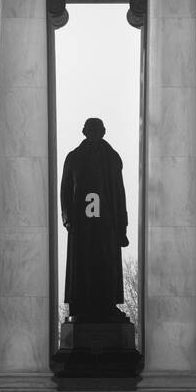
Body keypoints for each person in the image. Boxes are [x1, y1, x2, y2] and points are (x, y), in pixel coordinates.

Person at [61, 117, 129, 322]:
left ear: (103, 132)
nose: (94, 133)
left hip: (106, 223)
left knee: (105, 263)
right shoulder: (73, 158)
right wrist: (67, 218)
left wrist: (122, 226)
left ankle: (107, 305)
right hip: (82, 225)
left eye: (97, 129)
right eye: (90, 129)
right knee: (84, 265)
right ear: (85, 132)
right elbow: (65, 191)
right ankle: (83, 306)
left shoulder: (112, 158)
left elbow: (119, 193)